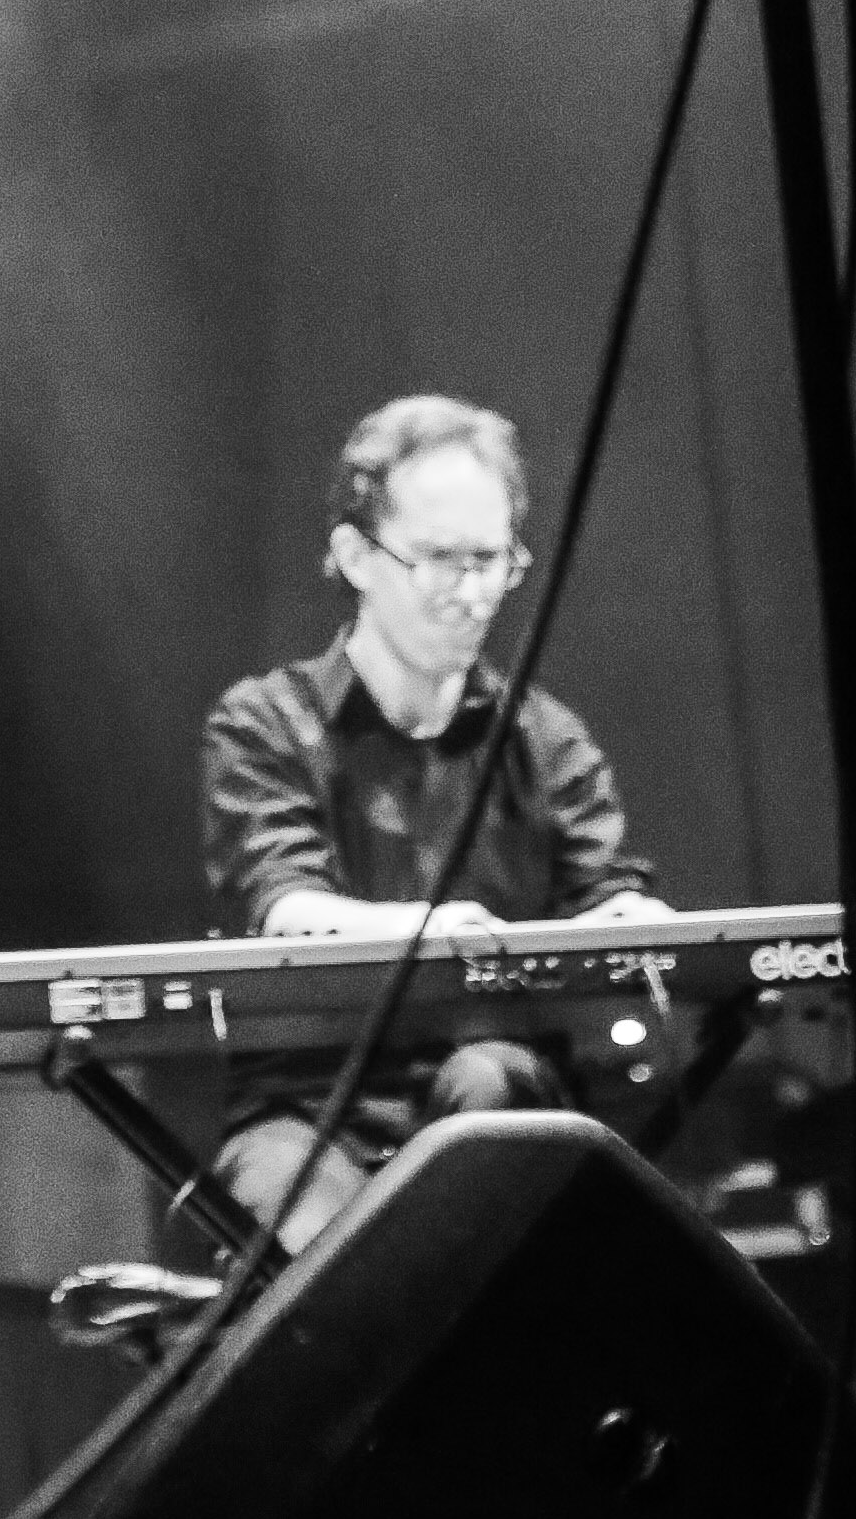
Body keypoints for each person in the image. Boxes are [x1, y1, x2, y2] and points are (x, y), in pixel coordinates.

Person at [200, 391, 667, 1245]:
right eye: (439, 560)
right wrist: (433, 929)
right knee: (306, 1223)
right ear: (356, 555)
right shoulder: (264, 723)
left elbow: (605, 899)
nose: (472, 592)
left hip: (493, 1086)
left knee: (490, 1089)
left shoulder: (546, 738)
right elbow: (285, 904)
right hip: (310, 1108)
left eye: (491, 560)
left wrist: (634, 920)